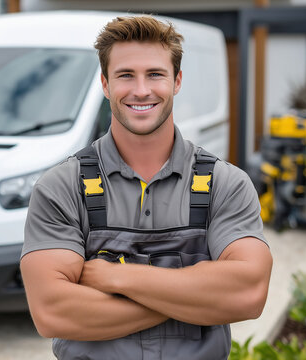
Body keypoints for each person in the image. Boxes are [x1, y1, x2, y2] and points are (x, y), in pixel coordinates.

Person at [20, 15, 273, 360]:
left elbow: (248, 293)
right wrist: (193, 298)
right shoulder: (61, 187)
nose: (141, 90)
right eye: (126, 75)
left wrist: (116, 277)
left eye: (155, 74)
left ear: (177, 81)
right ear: (106, 85)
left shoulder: (225, 184)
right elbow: (52, 312)